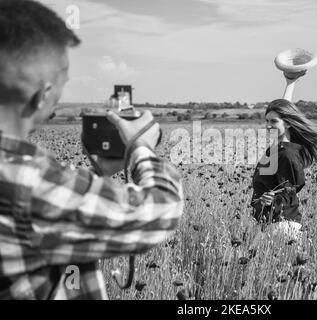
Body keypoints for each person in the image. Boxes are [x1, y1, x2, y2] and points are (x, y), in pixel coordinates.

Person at [0, 0, 183, 299]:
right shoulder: (23, 179)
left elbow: (47, 212)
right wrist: (140, 148)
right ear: (42, 94)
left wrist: (97, 172)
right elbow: (159, 212)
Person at [250, 70, 317, 242]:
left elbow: (290, 190)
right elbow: (283, 111)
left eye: (273, 121)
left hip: (281, 226)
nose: (268, 125)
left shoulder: (287, 154)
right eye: (266, 121)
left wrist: (271, 198)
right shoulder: (278, 148)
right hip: (271, 224)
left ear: (287, 123)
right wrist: (290, 84)